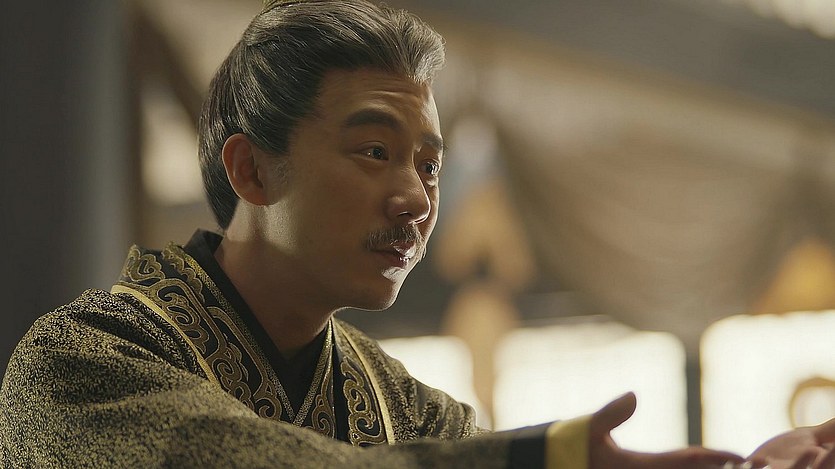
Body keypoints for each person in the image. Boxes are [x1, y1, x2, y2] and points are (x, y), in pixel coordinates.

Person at [1, 1, 834, 467]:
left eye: (430, 166)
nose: (414, 198)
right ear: (252, 171)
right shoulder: (76, 366)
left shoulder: (399, 406)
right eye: (374, 151)